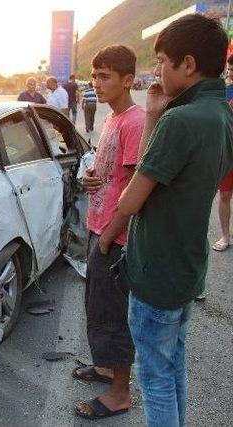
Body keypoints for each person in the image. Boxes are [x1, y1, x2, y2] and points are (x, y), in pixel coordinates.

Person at [116, 14, 232, 426]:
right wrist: (151, 114)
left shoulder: (182, 121)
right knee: (173, 365)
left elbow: (130, 201)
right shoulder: (220, 113)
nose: (157, 70)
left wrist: (158, 120)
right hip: (186, 265)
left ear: (188, 63)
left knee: (155, 379)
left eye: (163, 60)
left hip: (158, 270)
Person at [74, 45, 144, 421]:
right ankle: (104, 368)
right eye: (94, 75)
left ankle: (119, 393)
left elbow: (134, 189)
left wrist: (108, 236)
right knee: (97, 307)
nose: (96, 83)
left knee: (114, 316)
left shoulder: (135, 121)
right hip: (98, 227)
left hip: (114, 237)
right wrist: (90, 180)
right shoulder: (113, 119)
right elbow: (112, 175)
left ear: (128, 80)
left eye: (105, 76)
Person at [212, 54, 233, 252]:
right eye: (229, 68)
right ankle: (225, 235)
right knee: (225, 195)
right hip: (228, 153)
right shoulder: (223, 92)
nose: (230, 72)